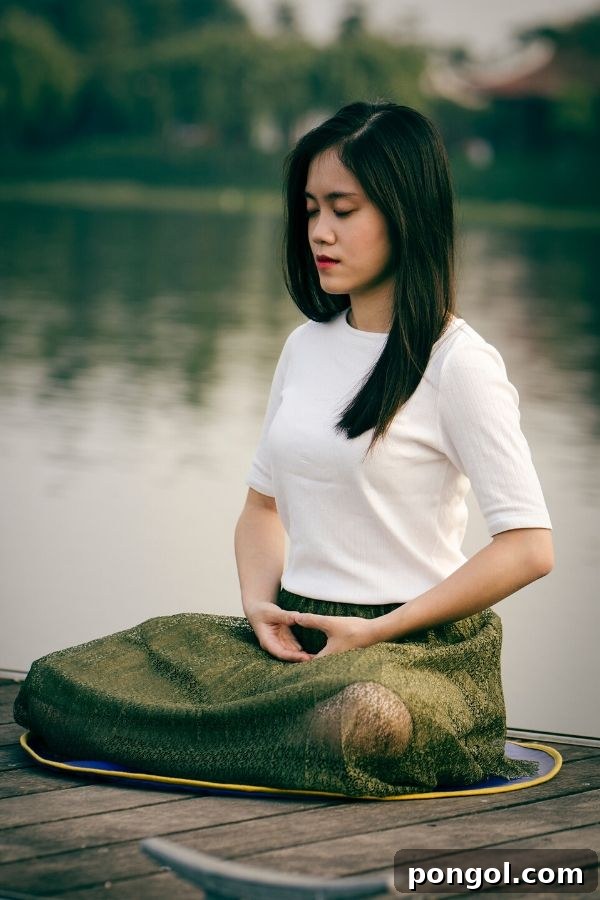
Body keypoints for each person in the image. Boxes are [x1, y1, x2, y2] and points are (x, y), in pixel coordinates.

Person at [14, 100, 553, 798]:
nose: (319, 232)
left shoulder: (459, 364)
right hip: (295, 642)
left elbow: (529, 547)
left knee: (360, 718)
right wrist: (259, 606)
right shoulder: (306, 348)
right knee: (60, 683)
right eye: (309, 210)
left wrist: (380, 630)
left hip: (411, 657)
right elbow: (261, 509)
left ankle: (248, 735)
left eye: (343, 209)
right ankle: (260, 734)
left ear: (404, 210)